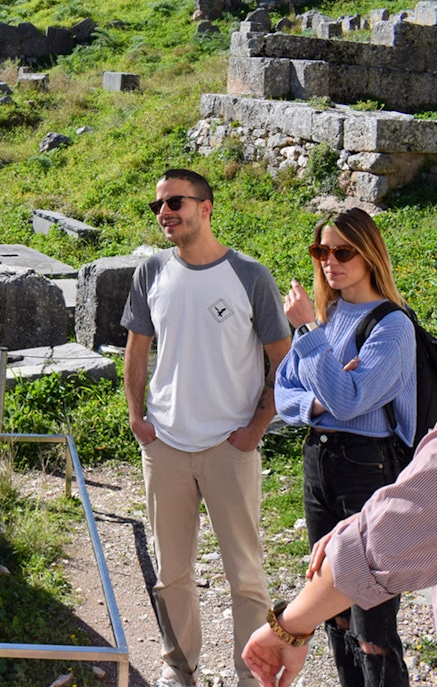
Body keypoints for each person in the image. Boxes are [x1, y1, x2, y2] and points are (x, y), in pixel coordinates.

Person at [122, 168, 292, 687]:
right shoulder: (150, 272)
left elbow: (283, 361)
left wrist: (256, 428)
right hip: (166, 445)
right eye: (158, 206)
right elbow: (136, 350)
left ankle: (251, 674)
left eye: (175, 202)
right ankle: (180, 669)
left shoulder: (250, 276)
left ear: (206, 207)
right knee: (171, 574)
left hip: (229, 448)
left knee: (246, 575)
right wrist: (136, 416)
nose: (164, 213)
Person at [273, 207, 415, 686]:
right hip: (321, 461)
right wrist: (318, 401)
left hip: (368, 468)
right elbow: (284, 392)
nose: (329, 262)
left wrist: (311, 342)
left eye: (342, 251)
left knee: (371, 623)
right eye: (321, 251)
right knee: (331, 611)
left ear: (369, 253)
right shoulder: (327, 316)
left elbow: (350, 401)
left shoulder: (393, 326)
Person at [242, 422, 437, 686]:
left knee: (374, 634)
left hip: (369, 455)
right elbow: (288, 398)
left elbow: (378, 545)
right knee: (339, 624)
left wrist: (288, 627)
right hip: (321, 453)